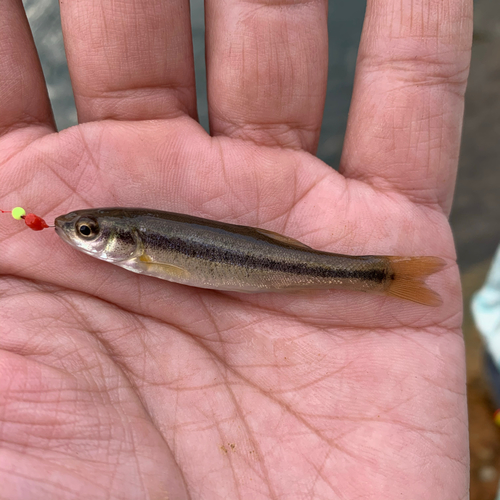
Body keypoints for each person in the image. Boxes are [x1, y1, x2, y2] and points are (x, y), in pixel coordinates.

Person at [0, 0, 471, 498]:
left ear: (129, 241)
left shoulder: (144, 251)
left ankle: (379, 275)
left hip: (268, 265)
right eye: (85, 230)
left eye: (89, 231)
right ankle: (379, 276)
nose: (76, 233)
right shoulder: (135, 249)